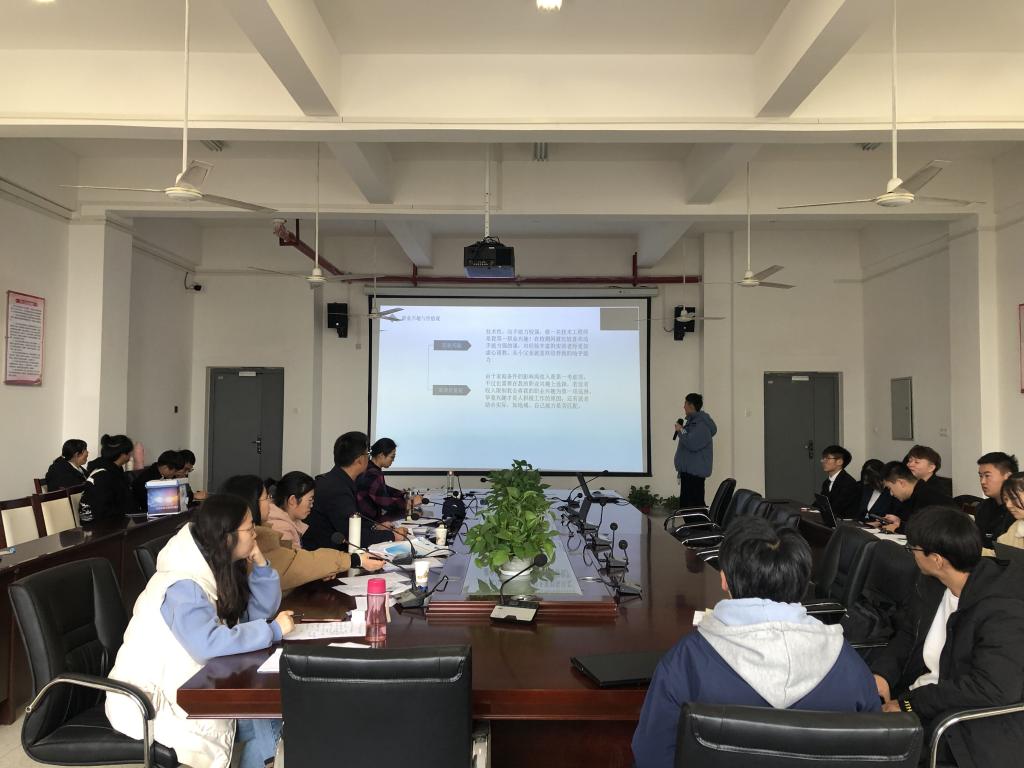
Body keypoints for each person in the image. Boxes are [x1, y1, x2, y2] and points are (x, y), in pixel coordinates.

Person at [631, 517, 879, 768]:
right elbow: (873, 754)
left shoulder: (684, 662)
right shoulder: (850, 665)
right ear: (803, 583)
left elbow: (651, 757)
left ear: (724, 579)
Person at [105, 494, 295, 768]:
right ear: (226, 537)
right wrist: (273, 631)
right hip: (151, 703)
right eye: (250, 528)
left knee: (271, 717)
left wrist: (262, 565)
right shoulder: (183, 585)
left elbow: (255, 617)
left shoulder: (215, 568)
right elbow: (207, 646)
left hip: (191, 689)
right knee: (268, 717)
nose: (255, 534)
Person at [870, 506, 1024, 767]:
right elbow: (908, 634)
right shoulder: (932, 584)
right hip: (922, 701)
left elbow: (991, 688)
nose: (911, 554)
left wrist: (909, 704)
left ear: (937, 559)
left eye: (913, 549)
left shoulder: (1003, 607)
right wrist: (883, 675)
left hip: (964, 726)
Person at [219, 474, 382, 593]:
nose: (270, 502)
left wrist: (319, 569)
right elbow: (294, 564)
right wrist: (355, 560)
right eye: (266, 498)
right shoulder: (263, 535)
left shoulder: (263, 531)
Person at [303, 431, 408, 551]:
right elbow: (353, 536)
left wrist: (375, 526)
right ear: (359, 460)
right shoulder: (337, 490)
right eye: (367, 454)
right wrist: (392, 535)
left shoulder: (337, 480)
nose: (369, 458)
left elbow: (350, 520)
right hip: (326, 553)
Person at [878, 461, 956, 534]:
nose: (891, 493)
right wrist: (899, 522)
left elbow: (924, 530)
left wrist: (897, 529)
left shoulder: (927, 495)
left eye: (890, 488)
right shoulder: (916, 494)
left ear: (901, 483)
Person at [356, 438, 423, 522]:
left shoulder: (372, 469)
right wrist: (409, 503)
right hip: (367, 521)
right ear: (381, 455)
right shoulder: (372, 473)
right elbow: (383, 501)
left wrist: (404, 494)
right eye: (392, 457)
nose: (393, 460)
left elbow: (384, 489)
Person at [78, 434, 140, 523]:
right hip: (98, 526)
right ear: (123, 454)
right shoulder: (102, 476)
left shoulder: (115, 469)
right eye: (130, 452)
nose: (131, 454)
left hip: (116, 520)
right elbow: (102, 511)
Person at [673, 393, 717, 508]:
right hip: (688, 474)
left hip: (694, 475)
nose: (683, 407)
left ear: (691, 405)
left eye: (685, 404)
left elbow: (692, 443)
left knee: (694, 508)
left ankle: (702, 521)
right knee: (687, 508)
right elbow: (689, 439)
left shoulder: (702, 425)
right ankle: (694, 521)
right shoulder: (692, 422)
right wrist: (682, 430)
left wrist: (680, 430)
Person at [974, 452, 1018, 546]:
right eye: (980, 476)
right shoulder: (982, 507)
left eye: (987, 476)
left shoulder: (1017, 511)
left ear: (1007, 476)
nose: (982, 481)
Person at [266, 471, 316, 545]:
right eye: (310, 500)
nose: (311, 505)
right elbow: (293, 553)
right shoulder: (281, 529)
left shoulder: (288, 522)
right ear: (292, 500)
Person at [818, 445, 860, 520]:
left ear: (839, 462)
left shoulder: (848, 483)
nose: (822, 461)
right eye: (823, 458)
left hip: (843, 523)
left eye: (827, 458)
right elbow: (821, 503)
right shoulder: (826, 482)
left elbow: (836, 508)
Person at [995, 472, 1024, 550]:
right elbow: (1000, 552)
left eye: (1013, 498)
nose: (1008, 505)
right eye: (1006, 499)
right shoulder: (1017, 526)